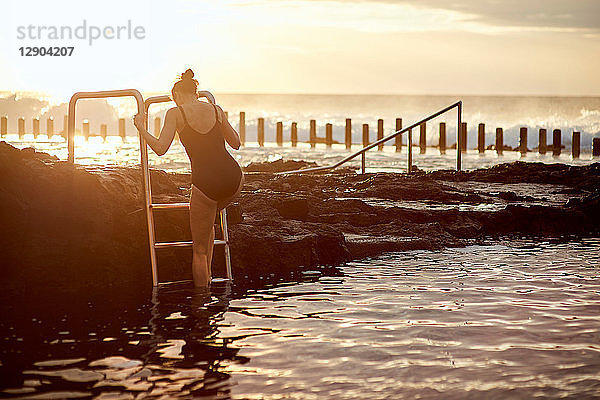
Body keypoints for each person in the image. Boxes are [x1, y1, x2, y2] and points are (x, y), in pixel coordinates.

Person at [133, 68, 244, 287]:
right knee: (209, 222)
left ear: (176, 96)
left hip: (206, 184)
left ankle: (202, 304)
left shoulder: (176, 113)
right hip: (234, 179)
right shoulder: (216, 109)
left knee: (199, 250)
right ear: (196, 91)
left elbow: (160, 148)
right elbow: (236, 143)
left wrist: (141, 128)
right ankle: (211, 282)